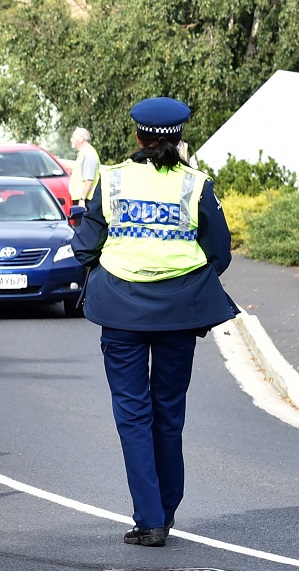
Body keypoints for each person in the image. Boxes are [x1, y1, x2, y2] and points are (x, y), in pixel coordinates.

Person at [71, 97, 237, 547]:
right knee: (169, 414)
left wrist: (104, 266)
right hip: (179, 314)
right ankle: (167, 509)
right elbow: (219, 252)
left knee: (132, 413)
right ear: (179, 138)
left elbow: (85, 245)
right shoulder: (197, 184)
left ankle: (150, 520)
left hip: (121, 311)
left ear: (139, 137)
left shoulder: (112, 179)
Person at [70, 127, 100, 206]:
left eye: (73, 137)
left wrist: (82, 199)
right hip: (83, 198)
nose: (71, 140)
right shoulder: (84, 153)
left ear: (81, 139)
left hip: (86, 200)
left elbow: (89, 179)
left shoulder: (88, 154)